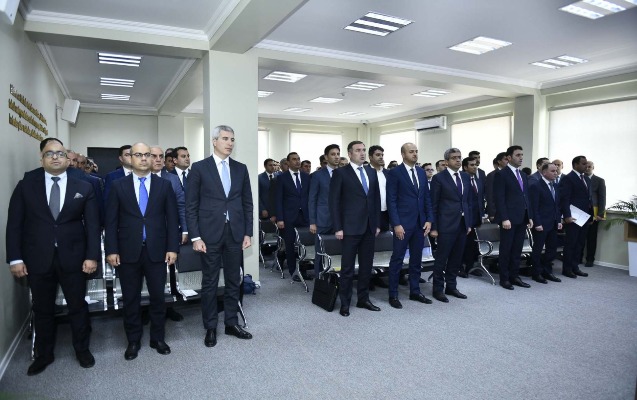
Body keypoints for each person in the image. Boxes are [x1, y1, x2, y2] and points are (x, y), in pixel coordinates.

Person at [7, 138, 101, 375]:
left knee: (77, 306)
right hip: (37, 258)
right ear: (42, 159)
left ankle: (82, 349)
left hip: (74, 258)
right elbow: (14, 225)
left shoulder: (84, 186)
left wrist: (92, 256)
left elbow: (92, 226)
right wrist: (15, 258)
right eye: (50, 154)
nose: (55, 157)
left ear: (68, 159)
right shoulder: (26, 186)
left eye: (60, 153)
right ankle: (44, 354)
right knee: (43, 309)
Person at [105, 143, 179, 360]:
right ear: (130, 158)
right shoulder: (118, 186)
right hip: (127, 251)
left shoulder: (164, 185)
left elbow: (172, 219)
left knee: (158, 297)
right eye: (138, 154)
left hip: (157, 251)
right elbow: (111, 221)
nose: (144, 158)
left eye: (147, 154)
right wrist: (111, 249)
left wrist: (172, 248)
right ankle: (133, 340)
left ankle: (158, 338)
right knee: (131, 299)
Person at [186, 125, 254, 347]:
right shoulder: (199, 168)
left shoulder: (240, 168)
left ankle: (231, 323)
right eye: (225, 138)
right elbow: (191, 205)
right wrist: (195, 237)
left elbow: (247, 203)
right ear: (214, 141)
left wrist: (248, 232)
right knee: (210, 282)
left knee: (234, 280)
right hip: (209, 234)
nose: (230, 143)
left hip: (235, 233)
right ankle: (210, 327)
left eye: (232, 139)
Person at [329, 140, 381, 317]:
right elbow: (334, 202)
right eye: (358, 150)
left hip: (369, 227)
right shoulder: (340, 173)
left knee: (366, 266)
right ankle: (345, 303)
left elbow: (375, 200)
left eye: (364, 150)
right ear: (350, 154)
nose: (362, 153)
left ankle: (363, 299)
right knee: (348, 268)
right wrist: (338, 227)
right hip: (349, 228)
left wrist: (377, 224)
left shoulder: (371, 172)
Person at [386, 143, 433, 309]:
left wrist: (429, 219)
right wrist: (396, 224)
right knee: (397, 259)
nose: (415, 154)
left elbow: (426, 198)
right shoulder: (395, 173)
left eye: (416, 151)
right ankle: (393, 294)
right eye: (411, 151)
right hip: (403, 225)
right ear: (403, 154)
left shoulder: (420, 172)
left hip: (420, 224)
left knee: (416, 259)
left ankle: (415, 291)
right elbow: (391, 200)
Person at [429, 148, 472, 303]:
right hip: (445, 225)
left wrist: (468, 223)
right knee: (442, 258)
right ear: (446, 161)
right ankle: (438, 289)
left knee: (456, 258)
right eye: (454, 158)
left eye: (459, 157)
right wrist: (434, 227)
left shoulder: (465, 176)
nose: (458, 160)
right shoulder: (439, 178)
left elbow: (467, 201)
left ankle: (451, 286)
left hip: (462, 224)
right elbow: (433, 204)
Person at [494, 145, 534, 290]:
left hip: (522, 217)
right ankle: (504, 278)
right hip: (508, 219)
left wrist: (529, 216)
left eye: (522, 155)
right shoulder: (502, 174)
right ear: (509, 157)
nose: (521, 157)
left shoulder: (522, 174)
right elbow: (499, 198)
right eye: (518, 155)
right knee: (506, 249)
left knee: (517, 249)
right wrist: (504, 218)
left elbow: (526, 197)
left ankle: (515, 276)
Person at [275, 152, 310, 280]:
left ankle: (304, 271)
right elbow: (278, 199)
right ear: (288, 163)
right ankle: (293, 271)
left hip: (305, 215)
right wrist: (280, 218)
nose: (297, 161)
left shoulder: (306, 177)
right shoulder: (282, 178)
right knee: (290, 244)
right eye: (294, 159)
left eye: (298, 159)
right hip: (288, 217)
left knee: (305, 244)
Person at [309, 144, 340, 277]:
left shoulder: (344, 173)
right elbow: (312, 199)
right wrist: (312, 221)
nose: (336, 157)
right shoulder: (318, 175)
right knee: (321, 253)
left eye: (338, 154)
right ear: (326, 157)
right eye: (333, 154)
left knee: (339, 252)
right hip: (323, 220)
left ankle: (336, 280)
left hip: (340, 220)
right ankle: (320, 280)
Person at [559, 156, 592, 279]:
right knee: (571, 243)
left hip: (584, 216)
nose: (586, 166)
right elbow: (565, 199)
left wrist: (591, 216)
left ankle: (575, 267)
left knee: (580, 243)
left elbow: (588, 199)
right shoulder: (568, 178)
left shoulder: (586, 179)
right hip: (573, 216)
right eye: (583, 163)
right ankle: (567, 269)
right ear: (575, 165)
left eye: (586, 163)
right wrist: (567, 215)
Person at [528, 163, 562, 283]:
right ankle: (536, 273)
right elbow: (534, 207)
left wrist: (559, 220)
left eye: (556, 171)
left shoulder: (555, 186)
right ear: (544, 172)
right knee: (537, 250)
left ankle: (547, 271)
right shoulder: (536, 186)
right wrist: (537, 223)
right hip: (541, 223)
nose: (555, 173)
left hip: (553, 223)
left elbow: (557, 205)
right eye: (552, 171)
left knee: (552, 249)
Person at [459, 156, 484, 278]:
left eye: (476, 165)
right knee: (462, 244)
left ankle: (470, 266)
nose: (475, 167)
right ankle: (460, 267)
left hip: (476, 217)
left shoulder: (478, 180)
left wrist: (482, 215)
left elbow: (480, 199)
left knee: (472, 245)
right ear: (465, 167)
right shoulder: (462, 181)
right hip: (465, 217)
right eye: (472, 165)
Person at [584, 161, 606, 267]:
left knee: (591, 237)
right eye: (586, 166)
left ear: (593, 168)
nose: (587, 168)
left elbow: (602, 198)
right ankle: (578, 258)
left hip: (594, 212)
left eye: (589, 167)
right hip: (581, 211)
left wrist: (600, 214)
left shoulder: (599, 180)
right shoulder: (580, 179)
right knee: (580, 237)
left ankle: (590, 259)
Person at [485, 152, 508, 222]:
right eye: (505, 159)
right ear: (499, 161)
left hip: (509, 210)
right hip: (497, 211)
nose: (508, 161)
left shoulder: (510, 174)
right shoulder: (492, 175)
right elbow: (490, 195)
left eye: (508, 159)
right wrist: (492, 213)